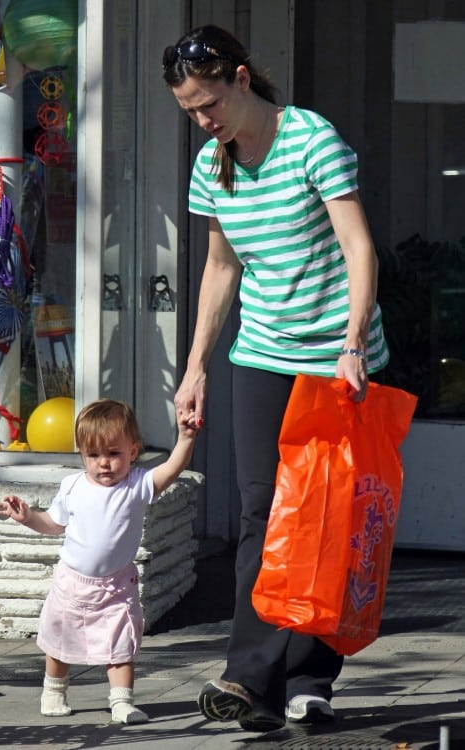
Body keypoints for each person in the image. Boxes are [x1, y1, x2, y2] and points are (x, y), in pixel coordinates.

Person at [162, 24, 389, 733]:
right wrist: (195, 364)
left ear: (237, 77)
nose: (204, 121)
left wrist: (351, 344)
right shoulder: (212, 164)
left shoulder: (309, 139)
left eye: (208, 103)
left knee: (328, 519)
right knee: (265, 513)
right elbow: (222, 268)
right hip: (261, 354)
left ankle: (308, 679)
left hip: (337, 360)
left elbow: (358, 246)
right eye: (191, 112)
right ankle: (249, 679)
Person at [0, 398, 200, 724]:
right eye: (93, 455)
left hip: (116, 585)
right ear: (82, 455)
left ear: (133, 451)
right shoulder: (73, 486)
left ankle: (121, 702)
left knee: (119, 643)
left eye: (113, 454)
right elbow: (54, 523)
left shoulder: (137, 485)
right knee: (61, 639)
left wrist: (186, 438)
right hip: (72, 581)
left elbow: (171, 469)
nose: (103, 463)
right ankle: (54, 690)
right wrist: (28, 517)